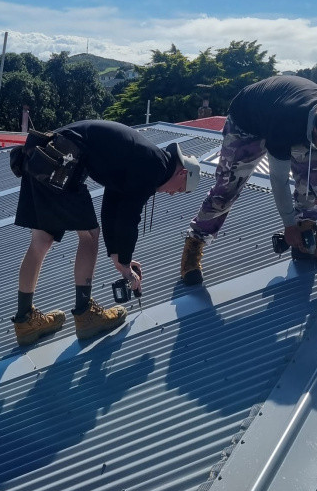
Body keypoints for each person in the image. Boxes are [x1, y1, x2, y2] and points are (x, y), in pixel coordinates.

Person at [12, 119, 201, 345]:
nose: (171, 194)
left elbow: (112, 203)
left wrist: (118, 256)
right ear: (182, 174)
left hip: (43, 155)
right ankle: (85, 315)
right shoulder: (154, 167)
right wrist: (125, 264)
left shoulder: (144, 160)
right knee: (89, 235)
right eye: (178, 190)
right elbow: (129, 217)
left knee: (41, 241)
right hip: (64, 159)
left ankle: (25, 321)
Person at [180, 75, 317, 285]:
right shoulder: (286, 123)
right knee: (227, 188)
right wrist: (288, 225)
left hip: (289, 115)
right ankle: (195, 242)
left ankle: (306, 239)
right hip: (248, 122)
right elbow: (278, 179)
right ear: (315, 131)